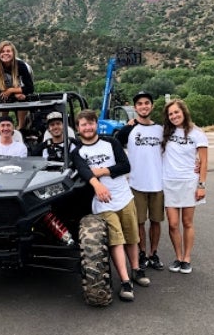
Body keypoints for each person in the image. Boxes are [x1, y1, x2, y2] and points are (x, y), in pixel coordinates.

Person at [70, 109, 150, 302]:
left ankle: (136, 270)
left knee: (132, 237)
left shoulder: (110, 142)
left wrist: (101, 171)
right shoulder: (78, 152)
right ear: (78, 128)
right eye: (83, 124)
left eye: (90, 123)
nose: (87, 127)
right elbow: (83, 171)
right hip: (102, 202)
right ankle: (124, 281)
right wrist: (97, 184)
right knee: (116, 240)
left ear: (96, 124)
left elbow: (125, 166)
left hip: (124, 196)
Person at [116, 91, 166, 271]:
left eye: (147, 103)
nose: (144, 106)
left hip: (157, 183)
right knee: (139, 223)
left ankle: (154, 253)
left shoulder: (160, 129)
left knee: (156, 221)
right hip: (136, 184)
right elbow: (114, 148)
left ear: (151, 106)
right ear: (135, 107)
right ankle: (142, 253)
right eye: (140, 104)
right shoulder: (128, 129)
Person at [160, 99, 207, 274]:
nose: (174, 116)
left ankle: (187, 258)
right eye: (170, 114)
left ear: (184, 112)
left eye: (176, 112)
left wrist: (201, 185)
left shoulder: (197, 133)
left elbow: (202, 162)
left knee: (187, 222)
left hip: (189, 182)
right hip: (169, 183)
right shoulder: (165, 132)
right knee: (173, 224)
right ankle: (178, 257)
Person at [0, 41, 35, 130]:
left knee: (22, 98)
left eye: (8, 51)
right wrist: (11, 92)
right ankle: (2, 125)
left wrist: (11, 91)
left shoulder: (21, 65)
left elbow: (29, 88)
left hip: (19, 88)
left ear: (13, 53)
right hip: (6, 91)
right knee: (4, 99)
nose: (5, 53)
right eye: (2, 51)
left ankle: (21, 127)